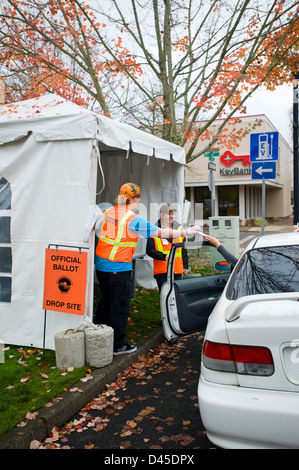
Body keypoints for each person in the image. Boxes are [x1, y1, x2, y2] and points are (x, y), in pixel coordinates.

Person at [94, 183, 202, 355]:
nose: (139, 201)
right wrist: (187, 231)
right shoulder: (131, 218)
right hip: (118, 267)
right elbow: (161, 232)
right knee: (119, 307)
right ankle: (117, 345)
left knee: (105, 303)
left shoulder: (109, 212)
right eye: (137, 198)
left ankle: (98, 339)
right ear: (131, 198)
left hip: (101, 267)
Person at [146, 204, 188, 291]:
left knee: (177, 296)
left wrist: (185, 266)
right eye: (169, 214)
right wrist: (164, 256)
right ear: (162, 215)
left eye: (173, 214)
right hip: (162, 271)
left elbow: (184, 250)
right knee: (165, 296)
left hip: (177, 270)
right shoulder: (154, 230)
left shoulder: (179, 230)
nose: (171, 216)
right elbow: (149, 250)